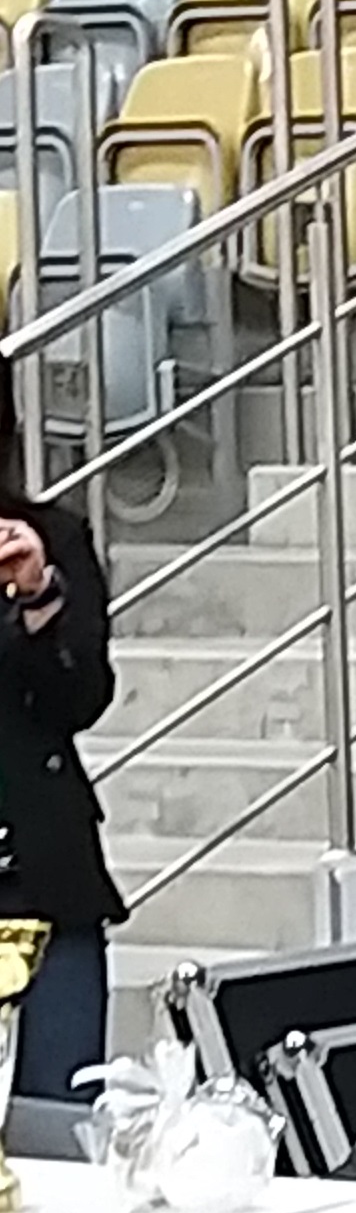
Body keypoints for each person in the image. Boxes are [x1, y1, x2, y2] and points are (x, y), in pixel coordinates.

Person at [0, 373, 120, 1101]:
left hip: (40, 875)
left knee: (61, 1113)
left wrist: (39, 595)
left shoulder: (51, 538)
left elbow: (82, 697)